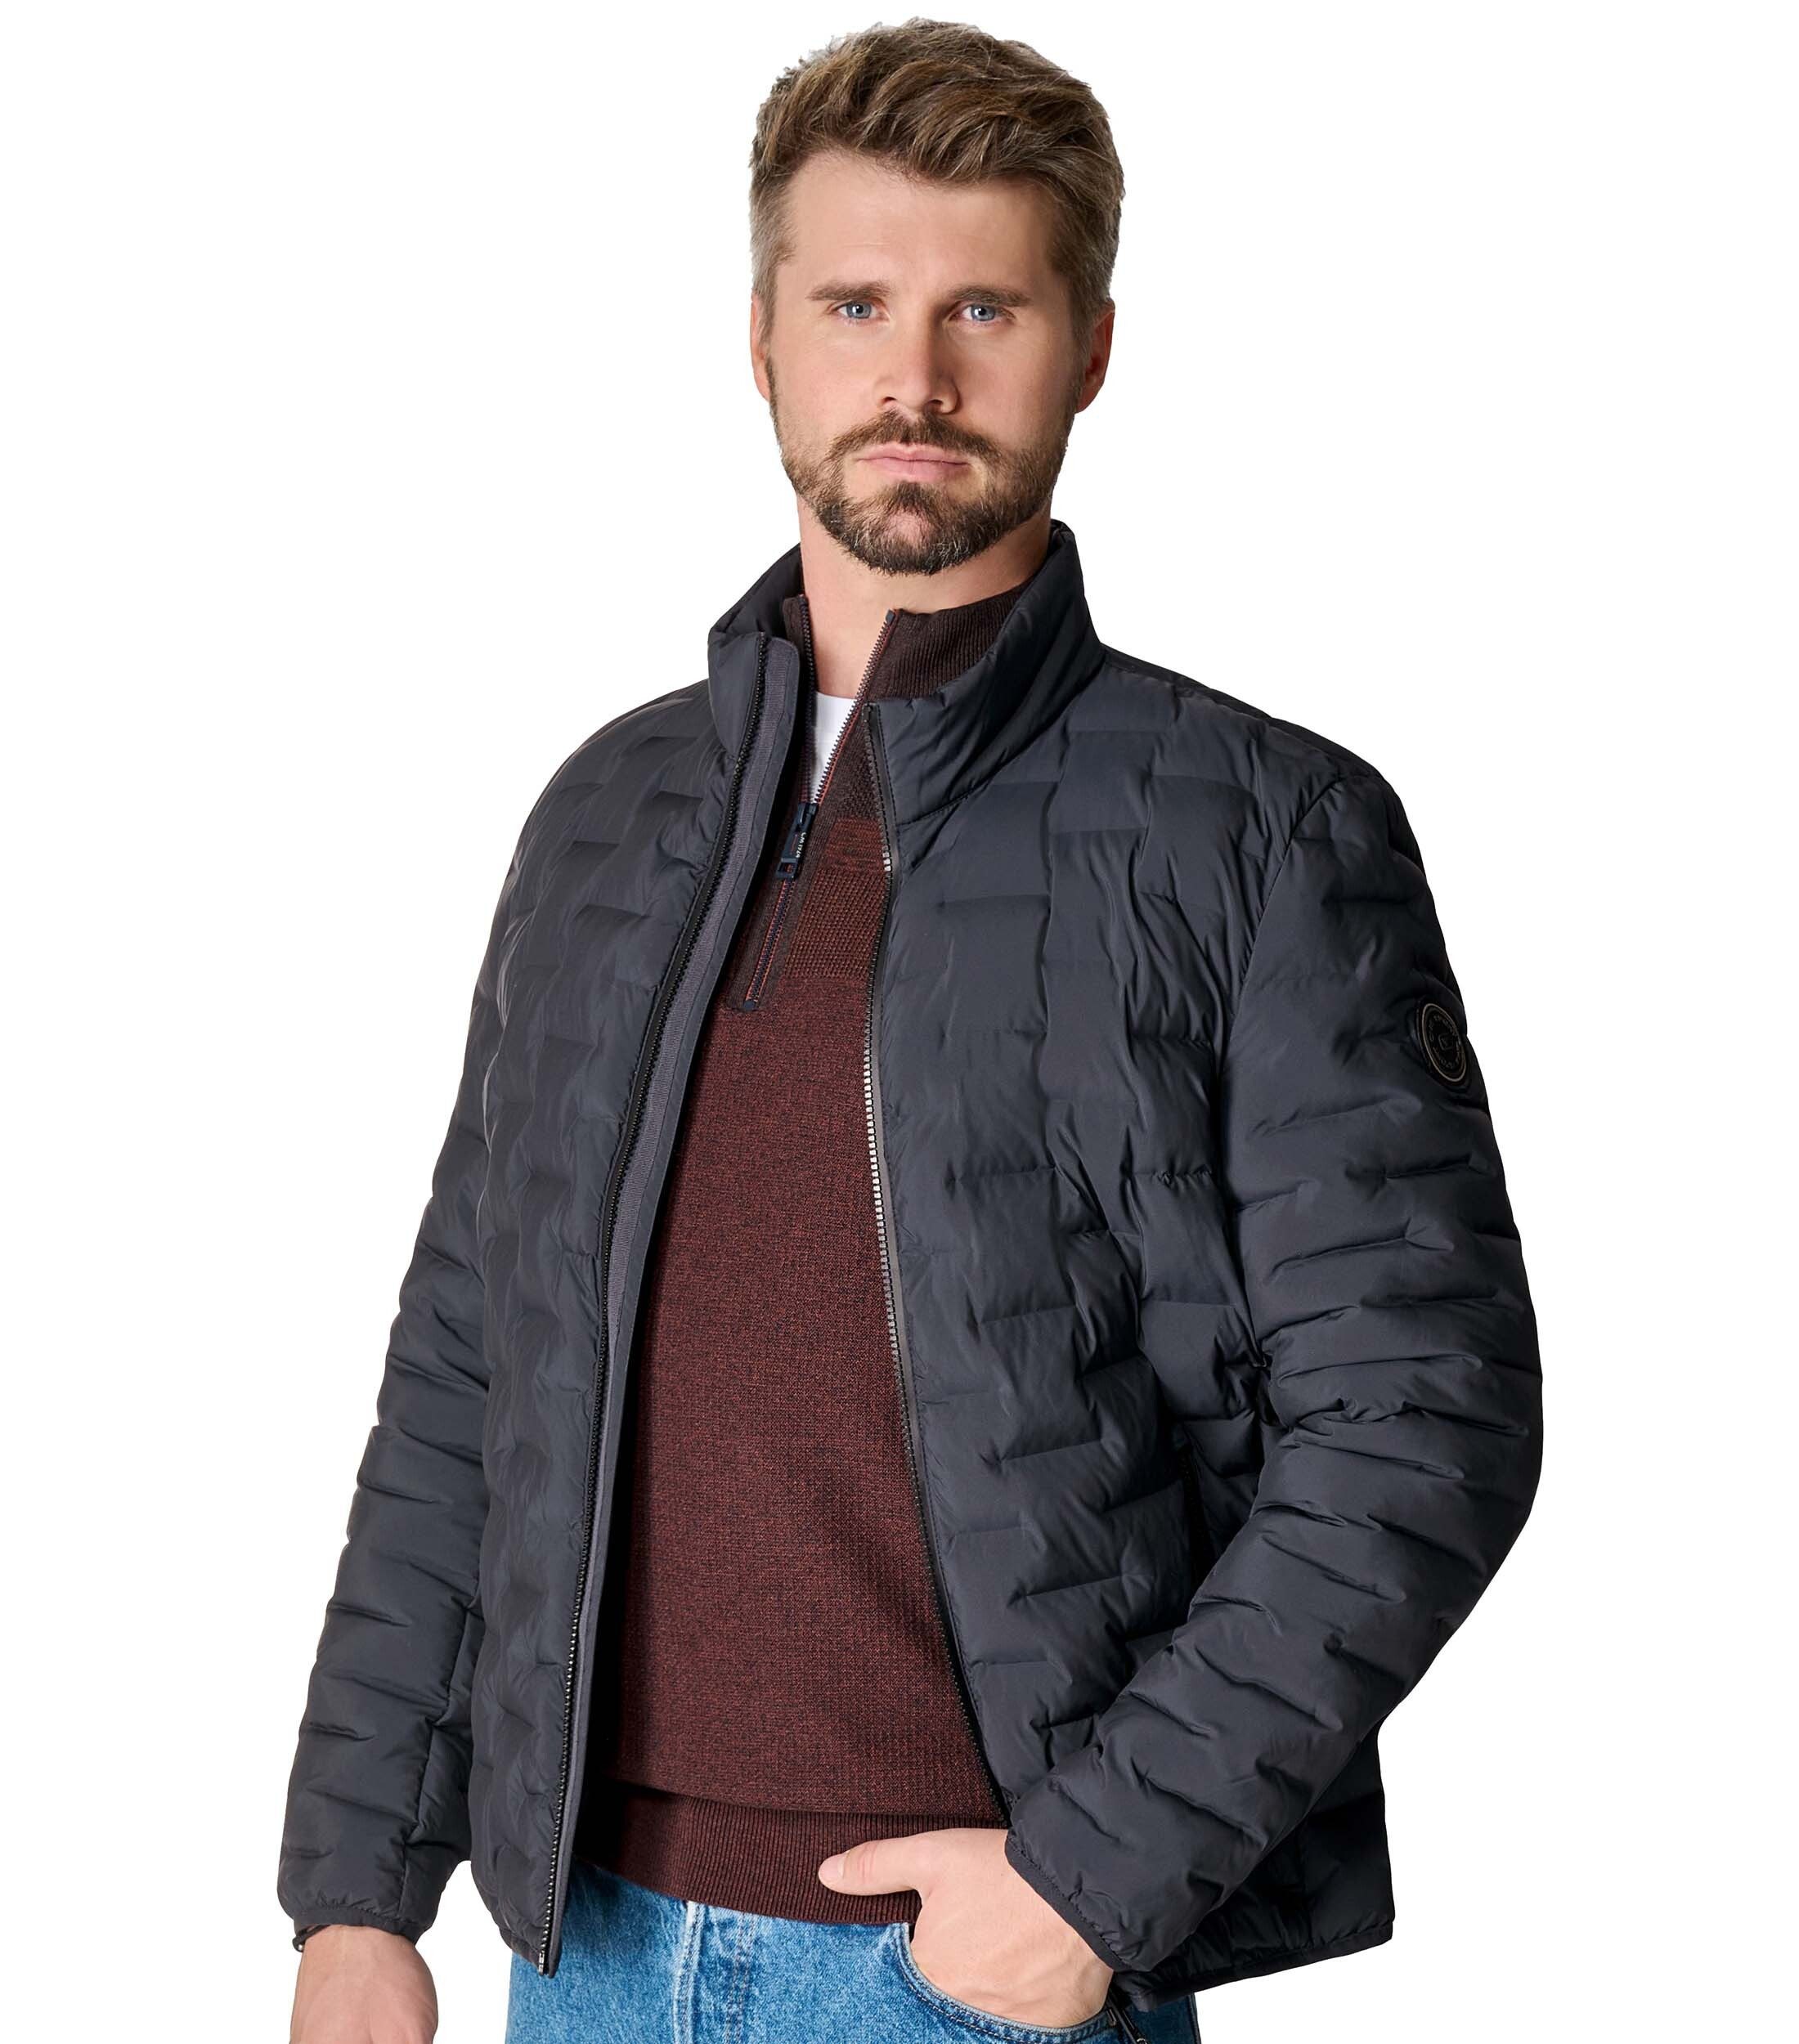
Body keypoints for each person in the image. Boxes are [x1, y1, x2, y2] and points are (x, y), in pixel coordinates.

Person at [280, 21, 1542, 2044]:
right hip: (574, 1949)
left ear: (1090, 349)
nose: (916, 381)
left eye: (985, 310)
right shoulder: (605, 813)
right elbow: (467, 1365)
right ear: (760, 342)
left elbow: (1419, 1415)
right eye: (855, 305)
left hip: (977, 1979)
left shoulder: (1258, 827)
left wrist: (1088, 1879)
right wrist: (358, 1881)